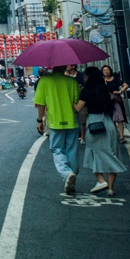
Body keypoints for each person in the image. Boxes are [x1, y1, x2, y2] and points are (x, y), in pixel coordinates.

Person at [75, 66, 126, 197]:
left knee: (93, 152)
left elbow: (78, 108)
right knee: (111, 152)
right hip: (108, 123)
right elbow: (116, 100)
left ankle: (101, 181)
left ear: (88, 77)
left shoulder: (86, 91)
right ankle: (110, 189)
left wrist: (71, 101)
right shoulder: (105, 89)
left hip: (93, 123)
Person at [34, 65, 81, 194]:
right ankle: (72, 176)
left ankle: (67, 174)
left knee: (56, 149)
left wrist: (40, 121)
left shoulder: (44, 81)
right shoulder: (72, 81)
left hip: (55, 122)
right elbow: (77, 102)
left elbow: (41, 104)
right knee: (72, 149)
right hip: (72, 121)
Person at [101, 65, 129, 142]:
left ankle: (122, 136)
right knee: (111, 120)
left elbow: (126, 85)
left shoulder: (116, 79)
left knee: (120, 119)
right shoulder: (102, 80)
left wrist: (120, 91)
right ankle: (114, 135)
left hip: (116, 101)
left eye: (107, 70)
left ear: (110, 70)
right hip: (107, 102)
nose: (106, 72)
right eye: (104, 70)